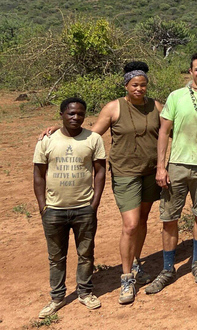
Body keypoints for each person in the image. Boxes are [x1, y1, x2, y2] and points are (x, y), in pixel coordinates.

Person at [39, 61, 163, 304]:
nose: (139, 89)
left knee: (143, 220)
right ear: (126, 85)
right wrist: (60, 128)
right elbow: (91, 135)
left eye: (143, 85)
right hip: (125, 173)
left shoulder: (156, 106)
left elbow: (170, 129)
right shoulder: (114, 108)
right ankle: (127, 278)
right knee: (130, 224)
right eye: (135, 85)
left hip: (151, 172)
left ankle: (137, 264)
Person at [147, 51, 197, 294]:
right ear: (190, 71)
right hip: (177, 165)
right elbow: (163, 132)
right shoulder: (176, 97)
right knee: (169, 217)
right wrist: (161, 166)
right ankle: (167, 268)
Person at [34, 98, 106, 319]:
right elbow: (38, 175)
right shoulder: (47, 141)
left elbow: (100, 172)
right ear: (62, 114)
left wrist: (94, 204)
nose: (76, 117)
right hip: (54, 210)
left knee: (86, 253)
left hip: (84, 208)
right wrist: (42, 207)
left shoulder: (93, 139)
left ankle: (85, 292)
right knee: (56, 257)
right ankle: (57, 297)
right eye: (71, 113)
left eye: (80, 114)